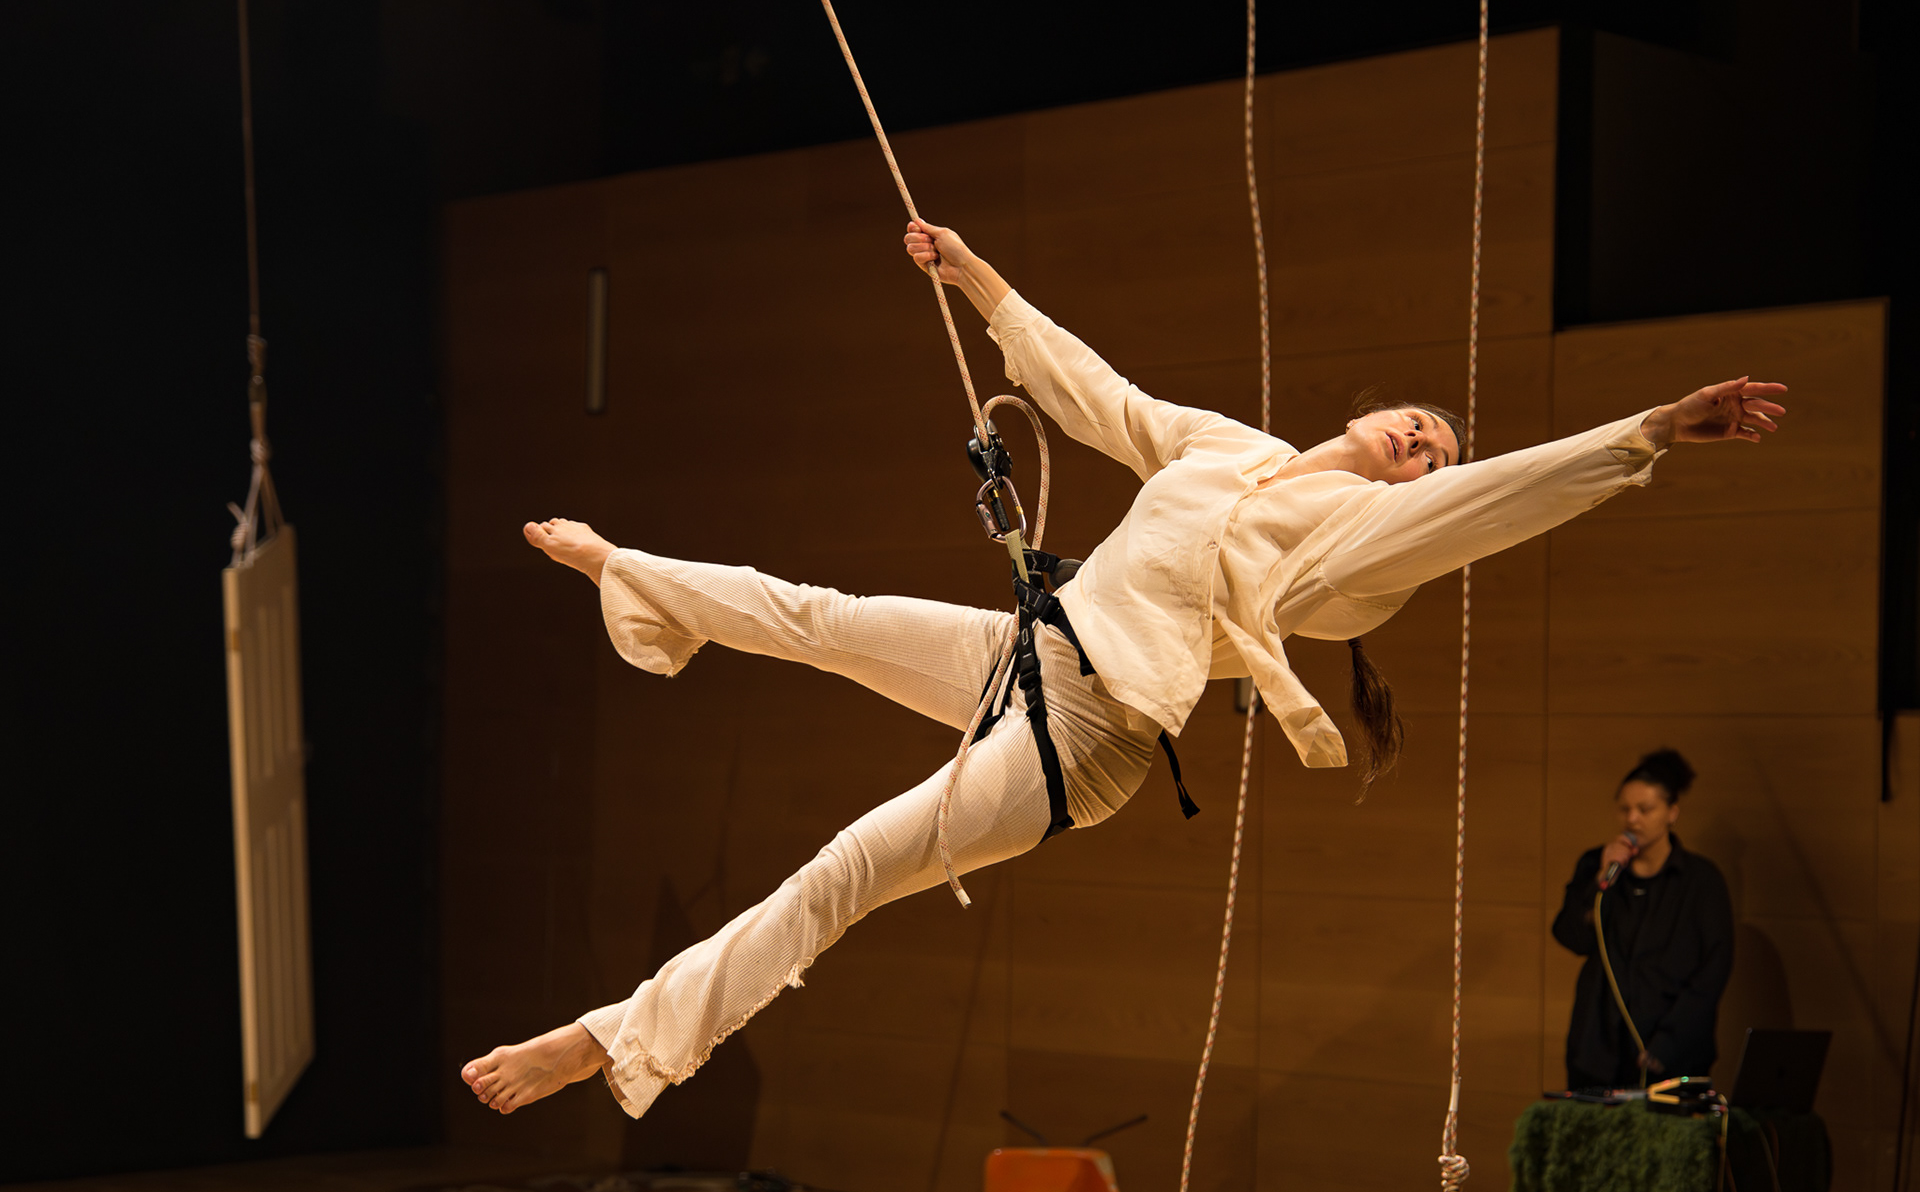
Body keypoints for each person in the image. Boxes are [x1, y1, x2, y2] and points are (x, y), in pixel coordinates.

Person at [462, 221, 1785, 1118]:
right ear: (1371, 411)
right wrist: (978, 281)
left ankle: (617, 1038)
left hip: (1082, 742)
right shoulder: (1230, 447)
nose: (1424, 443)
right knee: (824, 614)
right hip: (1030, 652)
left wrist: (1651, 430)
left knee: (846, 868)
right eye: (1418, 422)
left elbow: (1496, 501)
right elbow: (1102, 399)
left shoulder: (1352, 550)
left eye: (1436, 453)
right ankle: (628, 573)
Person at [1551, 749, 1734, 1087]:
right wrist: (1601, 880)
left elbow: (1713, 968)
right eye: (1625, 809)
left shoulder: (1700, 880)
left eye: (1645, 809)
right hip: (1598, 1050)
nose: (1632, 819)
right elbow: (1570, 936)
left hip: (1670, 1051)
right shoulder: (1596, 865)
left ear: (1671, 813)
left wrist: (1669, 1041)